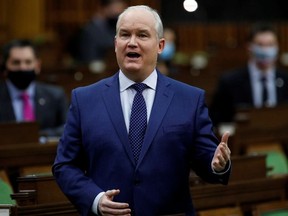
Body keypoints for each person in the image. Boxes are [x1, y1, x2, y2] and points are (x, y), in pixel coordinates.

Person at [53, 5, 231, 216]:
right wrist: (95, 199)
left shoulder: (189, 99)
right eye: (125, 35)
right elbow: (64, 165)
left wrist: (218, 165)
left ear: (160, 45)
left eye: (143, 35)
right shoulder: (85, 99)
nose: (132, 42)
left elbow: (207, 161)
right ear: (115, 43)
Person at [209, 23, 288, 127]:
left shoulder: (286, 80)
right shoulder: (230, 81)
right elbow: (216, 120)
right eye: (260, 45)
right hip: (242, 140)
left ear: (277, 47)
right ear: (249, 47)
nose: (265, 50)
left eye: (270, 44)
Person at [0, 39, 68, 137]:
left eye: (28, 62)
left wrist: (36, 136)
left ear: (37, 66)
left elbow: (67, 128)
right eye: (16, 63)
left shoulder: (55, 95)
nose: (22, 67)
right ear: (5, 67)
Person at [73, 0, 127, 65]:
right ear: (104, 9)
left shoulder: (113, 26)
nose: (119, 13)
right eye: (116, 9)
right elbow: (90, 59)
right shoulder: (90, 31)